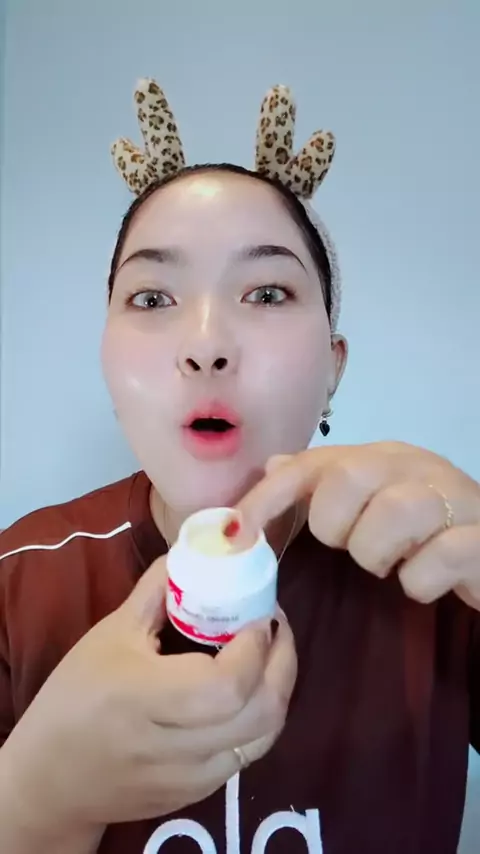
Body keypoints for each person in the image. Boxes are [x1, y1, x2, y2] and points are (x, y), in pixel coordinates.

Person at [0, 78, 479, 854]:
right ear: (106, 362)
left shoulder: (438, 580)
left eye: (266, 291)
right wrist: (31, 798)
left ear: (333, 367)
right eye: (152, 298)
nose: (206, 344)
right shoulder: (16, 581)